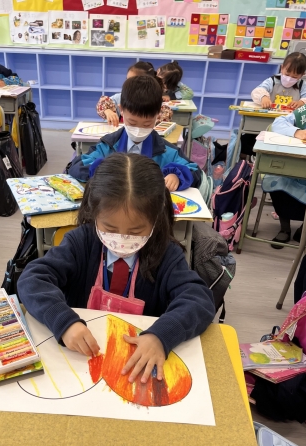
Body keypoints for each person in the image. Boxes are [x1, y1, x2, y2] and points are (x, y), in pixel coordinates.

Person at [18, 153, 215, 384]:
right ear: (94, 213)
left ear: (156, 219)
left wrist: (161, 336)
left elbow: (199, 300)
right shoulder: (81, 242)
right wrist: (64, 322)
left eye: (135, 231)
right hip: (80, 364)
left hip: (133, 368)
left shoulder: (166, 254)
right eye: (110, 228)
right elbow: (32, 280)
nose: (122, 239)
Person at [70, 75, 201, 191]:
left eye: (147, 124)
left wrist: (177, 176)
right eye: (132, 123)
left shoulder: (167, 152)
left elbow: (195, 172)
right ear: (121, 110)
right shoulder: (108, 145)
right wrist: (103, 171)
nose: (139, 129)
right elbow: (76, 166)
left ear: (158, 115)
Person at [262, 102, 306, 248]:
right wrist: (296, 132)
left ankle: (304, 229)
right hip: (295, 164)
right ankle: (284, 228)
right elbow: (278, 123)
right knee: (277, 179)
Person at [96, 61, 172, 127]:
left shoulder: (154, 102)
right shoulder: (121, 97)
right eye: (127, 80)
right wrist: (108, 111)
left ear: (147, 83)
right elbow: (103, 102)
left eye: (133, 82)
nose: (127, 84)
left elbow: (165, 114)